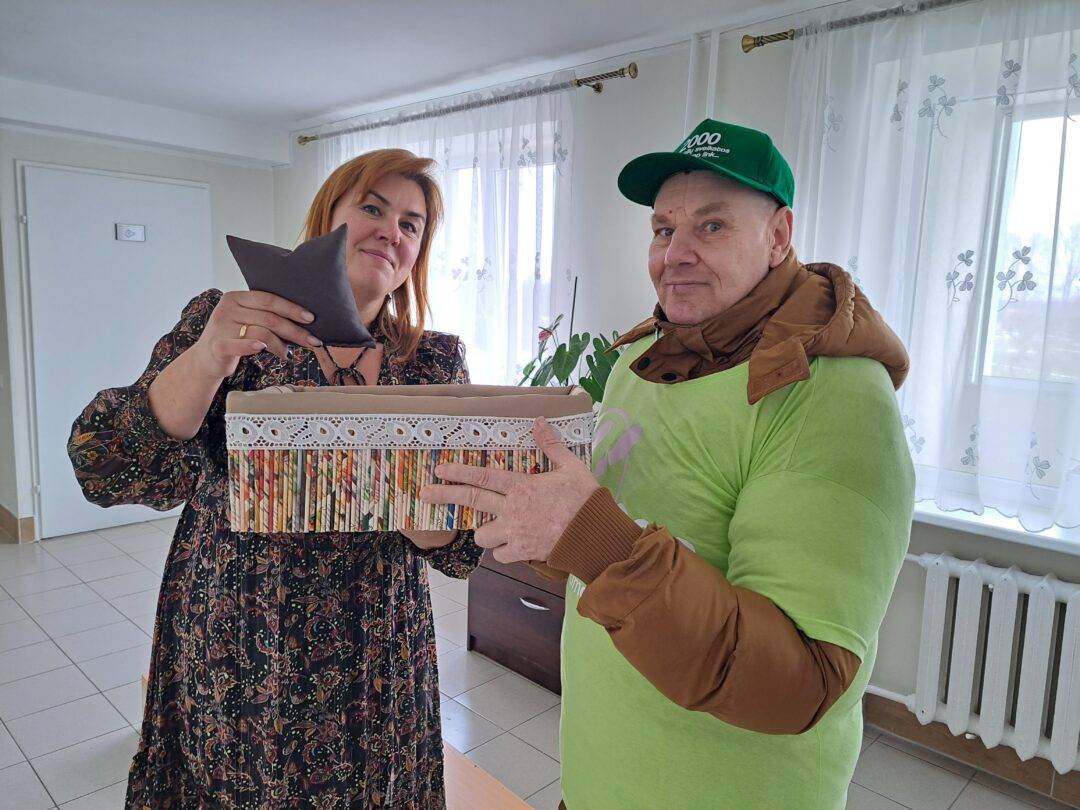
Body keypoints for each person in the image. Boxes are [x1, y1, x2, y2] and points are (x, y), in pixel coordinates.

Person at [421, 119, 915, 808]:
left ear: (779, 236)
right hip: (595, 784)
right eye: (663, 229)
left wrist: (592, 537)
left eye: (711, 226)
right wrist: (527, 520)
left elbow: (799, 684)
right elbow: (606, 547)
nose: (675, 254)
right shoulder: (639, 360)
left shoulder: (835, 399)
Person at [68, 148, 481, 808]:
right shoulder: (234, 325)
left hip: (376, 650)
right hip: (237, 638)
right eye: (373, 208)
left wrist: (421, 511)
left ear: (418, 253)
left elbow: (460, 548)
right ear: (327, 220)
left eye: (411, 224)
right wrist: (209, 357)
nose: (391, 231)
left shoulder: (434, 362)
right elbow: (110, 467)